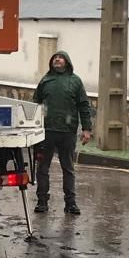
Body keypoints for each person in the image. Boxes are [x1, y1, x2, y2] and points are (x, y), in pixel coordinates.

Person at [33, 51, 92, 215]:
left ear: (67, 61)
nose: (57, 59)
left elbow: (84, 106)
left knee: (68, 168)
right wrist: (33, 127)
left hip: (67, 132)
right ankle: (42, 202)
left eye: (60, 57)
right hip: (46, 132)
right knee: (42, 168)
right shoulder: (45, 80)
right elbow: (35, 104)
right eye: (55, 58)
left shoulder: (75, 81)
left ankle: (71, 203)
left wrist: (87, 129)